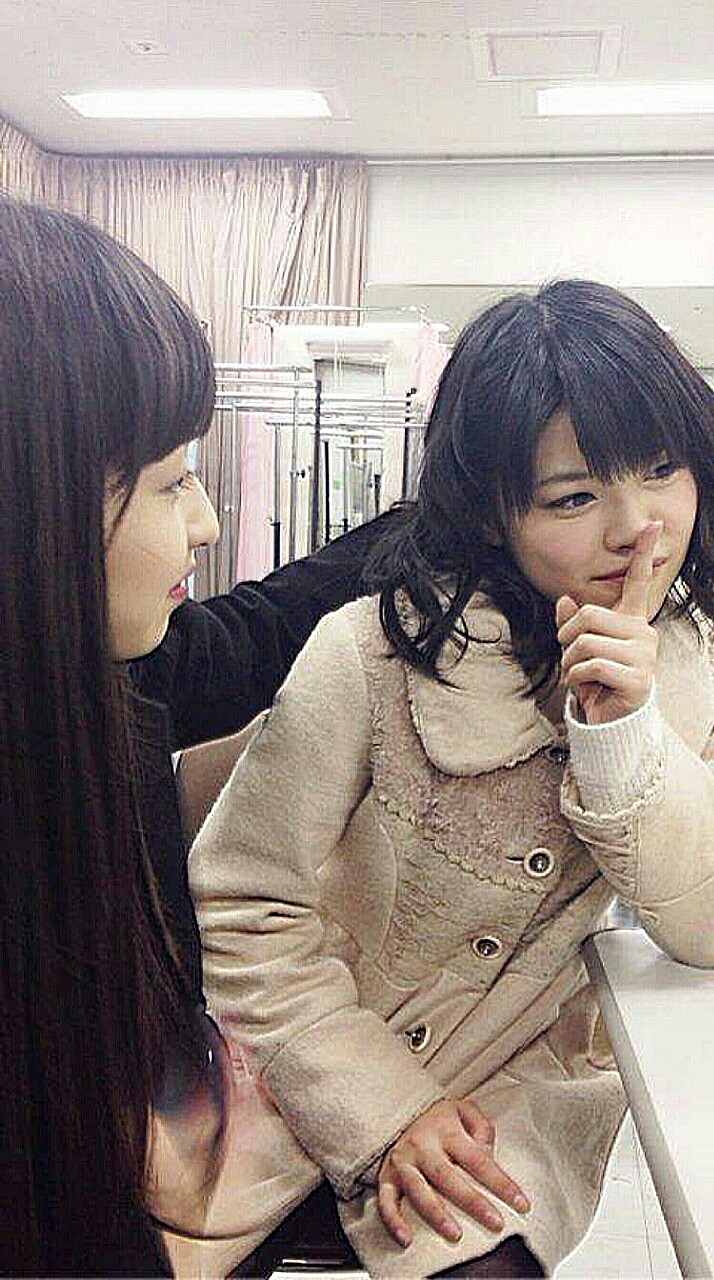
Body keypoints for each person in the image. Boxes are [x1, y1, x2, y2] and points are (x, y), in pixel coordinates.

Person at [190, 279, 714, 1279]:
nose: (638, 526)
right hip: (307, 1055)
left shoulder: (698, 669)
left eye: (662, 470)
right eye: (574, 496)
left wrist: (624, 729)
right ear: (489, 514)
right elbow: (245, 903)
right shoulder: (369, 651)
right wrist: (384, 1107)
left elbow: (705, 922)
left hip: (519, 1085)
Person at [0, 194, 389, 1278]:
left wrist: (427, 530)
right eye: (172, 481)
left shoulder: (103, 677)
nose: (209, 521)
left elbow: (254, 632)